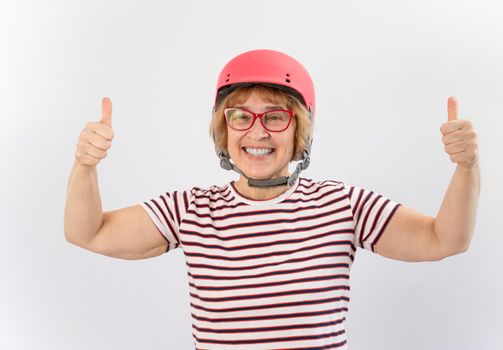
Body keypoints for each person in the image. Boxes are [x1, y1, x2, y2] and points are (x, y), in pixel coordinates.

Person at [64, 49, 480, 349]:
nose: (257, 131)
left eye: (276, 116)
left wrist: (466, 167)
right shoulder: (189, 209)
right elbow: (88, 232)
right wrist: (85, 165)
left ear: (300, 130)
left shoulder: (343, 205)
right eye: (240, 115)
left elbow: (444, 239)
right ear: (222, 130)